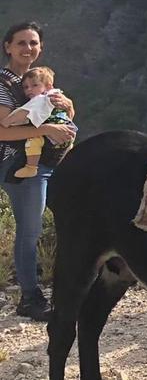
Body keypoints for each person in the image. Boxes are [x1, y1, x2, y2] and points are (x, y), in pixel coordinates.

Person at [0, 22, 77, 321]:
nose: (27, 48)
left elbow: (62, 117)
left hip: (50, 161)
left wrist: (68, 107)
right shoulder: (4, 86)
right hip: (20, 164)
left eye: (33, 42)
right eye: (21, 42)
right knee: (30, 231)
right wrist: (45, 128)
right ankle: (30, 297)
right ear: (7, 46)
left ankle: (69, 286)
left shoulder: (38, 80)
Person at [1, 67, 75, 178]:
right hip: (66, 137)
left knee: (33, 141)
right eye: (26, 87)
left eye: (34, 85)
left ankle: (31, 167)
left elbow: (22, 113)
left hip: (50, 142)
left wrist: (7, 122)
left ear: (48, 86)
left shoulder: (40, 99)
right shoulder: (58, 95)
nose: (29, 90)